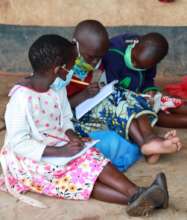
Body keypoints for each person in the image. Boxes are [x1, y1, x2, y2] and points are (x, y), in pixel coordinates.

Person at [0, 34, 169, 217]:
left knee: (91, 156)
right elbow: (19, 143)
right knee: (78, 178)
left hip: (57, 145)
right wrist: (61, 151)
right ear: (58, 69)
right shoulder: (21, 99)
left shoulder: (57, 88)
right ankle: (144, 196)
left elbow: (65, 117)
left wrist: (71, 135)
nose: (73, 70)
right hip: (29, 159)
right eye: (71, 66)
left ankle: (139, 194)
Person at [63, 20, 182, 164]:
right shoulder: (62, 69)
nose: (95, 63)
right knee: (119, 101)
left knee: (126, 97)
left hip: (89, 105)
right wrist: (85, 94)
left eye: (99, 58)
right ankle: (146, 143)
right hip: (73, 120)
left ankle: (148, 143)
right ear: (75, 43)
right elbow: (60, 108)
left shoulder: (85, 63)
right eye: (92, 57)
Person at [102, 32, 187, 128]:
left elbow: (148, 78)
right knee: (154, 116)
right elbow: (111, 88)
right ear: (135, 45)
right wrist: (135, 98)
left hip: (139, 95)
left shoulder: (150, 59)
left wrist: (149, 90)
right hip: (117, 96)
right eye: (134, 59)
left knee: (166, 103)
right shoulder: (113, 56)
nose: (134, 64)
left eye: (140, 66)